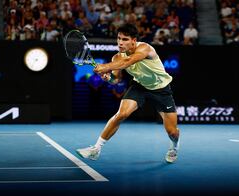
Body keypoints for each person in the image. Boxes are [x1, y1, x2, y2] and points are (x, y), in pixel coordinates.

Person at [76, 23, 180, 163]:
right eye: (119, 38)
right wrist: (108, 78)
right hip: (139, 86)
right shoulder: (117, 58)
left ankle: (174, 147)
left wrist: (105, 67)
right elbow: (115, 80)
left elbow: (129, 61)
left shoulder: (145, 48)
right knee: (122, 114)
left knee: (172, 131)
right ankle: (96, 149)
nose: (120, 42)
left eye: (125, 39)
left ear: (133, 40)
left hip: (161, 89)